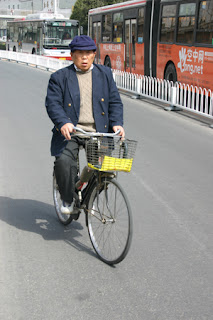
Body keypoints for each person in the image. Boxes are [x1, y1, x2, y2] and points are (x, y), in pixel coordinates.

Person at [45, 35, 125, 214]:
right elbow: (53, 104)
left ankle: (90, 196)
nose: (84, 57)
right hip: (71, 131)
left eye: (88, 53)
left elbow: (115, 102)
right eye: (80, 53)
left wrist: (117, 123)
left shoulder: (104, 74)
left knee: (104, 171)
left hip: (98, 133)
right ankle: (67, 198)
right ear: (72, 55)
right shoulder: (60, 77)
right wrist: (63, 122)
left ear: (94, 54)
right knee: (64, 162)